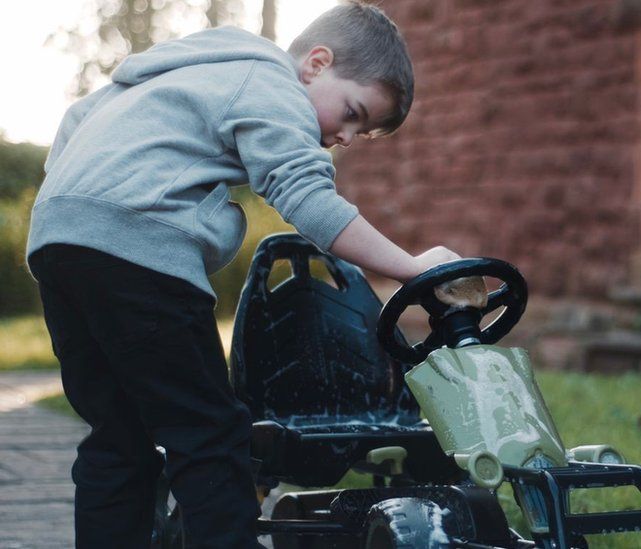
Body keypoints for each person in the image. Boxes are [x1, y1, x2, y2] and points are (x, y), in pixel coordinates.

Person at [25, 2, 456, 547]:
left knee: (118, 437)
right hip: (142, 253)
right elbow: (307, 199)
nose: (347, 136)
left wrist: (82, 209)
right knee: (209, 434)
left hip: (59, 245)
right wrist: (412, 268)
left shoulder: (181, 71)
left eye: (362, 132)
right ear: (316, 63)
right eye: (353, 112)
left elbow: (75, 121)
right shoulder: (271, 81)